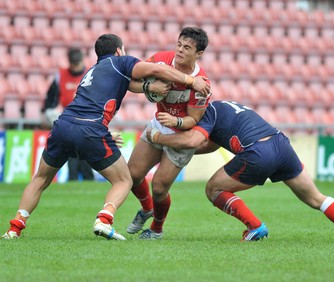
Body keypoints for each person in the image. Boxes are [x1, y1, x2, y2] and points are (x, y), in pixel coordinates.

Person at [1, 33, 210, 240]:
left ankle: (15, 227)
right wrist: (191, 81)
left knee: (40, 178)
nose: (180, 49)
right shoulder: (121, 62)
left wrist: (147, 89)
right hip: (91, 131)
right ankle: (104, 220)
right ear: (119, 50)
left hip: (64, 126)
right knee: (124, 180)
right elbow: (156, 69)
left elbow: (85, 106)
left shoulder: (91, 71)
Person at [145, 100, 334, 243]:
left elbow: (192, 140)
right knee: (315, 198)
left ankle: (254, 226)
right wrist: (177, 153)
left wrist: (159, 139)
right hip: (281, 144)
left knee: (213, 188)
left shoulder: (207, 112)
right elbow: (209, 144)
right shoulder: (225, 107)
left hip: (258, 152)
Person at [125, 27, 211, 239]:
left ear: (199, 54)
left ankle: (156, 229)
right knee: (132, 175)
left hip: (182, 136)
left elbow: (194, 119)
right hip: (158, 125)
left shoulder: (202, 84)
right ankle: (147, 208)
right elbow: (129, 82)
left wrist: (177, 120)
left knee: (160, 188)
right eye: (179, 45)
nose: (180, 50)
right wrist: (149, 86)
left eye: (187, 48)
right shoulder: (160, 60)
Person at [43, 47, 94, 181]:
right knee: (75, 150)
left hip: (87, 119)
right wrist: (49, 113)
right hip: (69, 119)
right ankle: (80, 178)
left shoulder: (91, 74)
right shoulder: (60, 76)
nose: (76, 68)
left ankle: (79, 178)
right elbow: (51, 99)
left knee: (79, 151)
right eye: (74, 64)